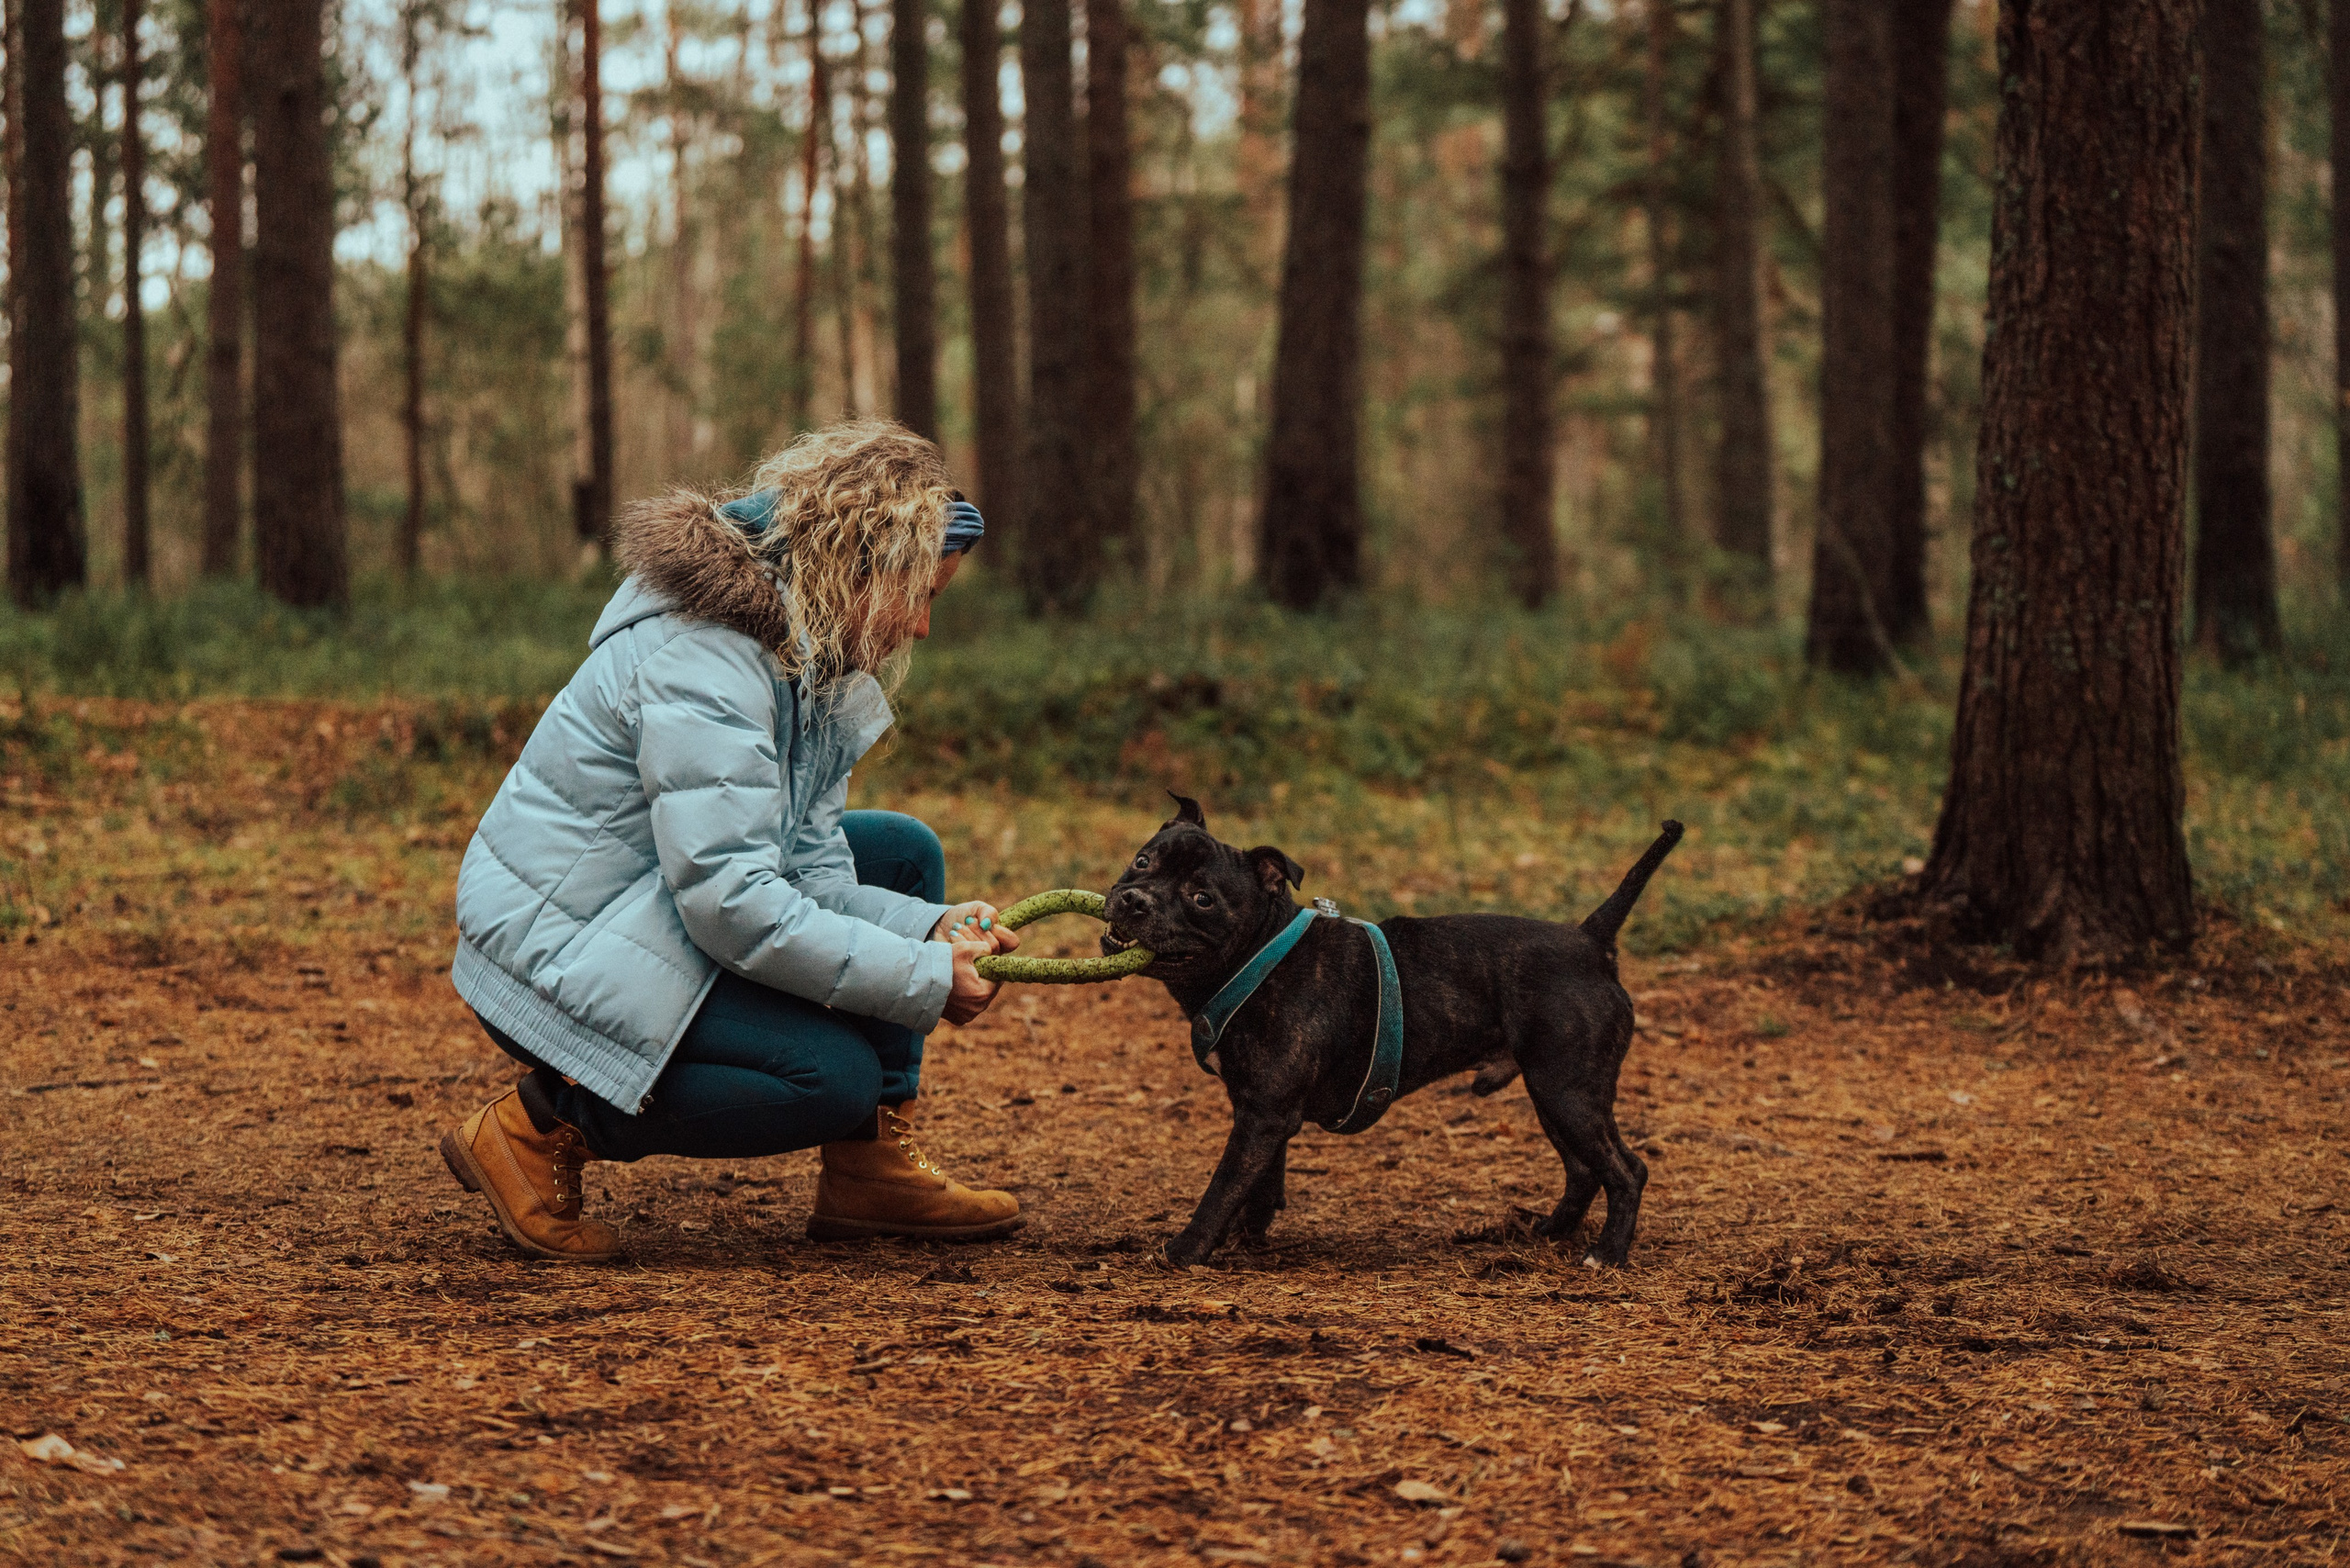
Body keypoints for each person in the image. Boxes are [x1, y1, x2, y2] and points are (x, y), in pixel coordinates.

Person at [440, 420, 1024, 1261]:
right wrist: (924, 976)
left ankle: (868, 1169)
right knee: (826, 1079)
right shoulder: (707, 658)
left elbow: (808, 867)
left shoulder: (810, 655)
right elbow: (733, 904)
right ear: (857, 566)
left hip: (648, 906)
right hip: (557, 941)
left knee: (901, 855)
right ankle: (539, 1129)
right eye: (921, 598)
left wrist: (925, 930)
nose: (923, 630)